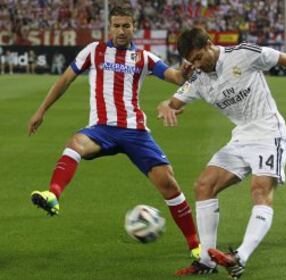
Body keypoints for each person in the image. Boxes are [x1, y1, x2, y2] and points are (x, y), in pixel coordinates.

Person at [157, 28, 286, 279]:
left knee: (259, 190)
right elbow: (171, 103)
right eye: (193, 61)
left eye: (201, 57)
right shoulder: (198, 78)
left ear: (211, 44)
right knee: (204, 186)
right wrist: (166, 107)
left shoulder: (244, 54)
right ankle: (205, 262)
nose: (198, 65)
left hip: (269, 133)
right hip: (242, 137)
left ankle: (240, 257)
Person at [28, 7, 200, 258]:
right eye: (117, 26)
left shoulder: (144, 58)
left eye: (126, 26)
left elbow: (173, 76)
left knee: (169, 184)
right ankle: (53, 194)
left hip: (135, 131)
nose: (121, 31)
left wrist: (184, 73)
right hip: (101, 130)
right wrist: (41, 110)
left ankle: (196, 246)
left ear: (134, 28)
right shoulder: (94, 51)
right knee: (76, 142)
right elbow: (64, 80)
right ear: (109, 28)